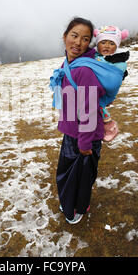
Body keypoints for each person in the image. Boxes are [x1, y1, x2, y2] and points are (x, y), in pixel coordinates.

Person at [51, 17, 105, 224]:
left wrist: (84, 143)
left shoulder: (84, 70)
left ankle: (76, 208)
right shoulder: (70, 64)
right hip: (74, 132)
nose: (78, 43)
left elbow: (90, 110)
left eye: (85, 39)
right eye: (74, 36)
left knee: (78, 175)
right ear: (65, 37)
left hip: (84, 137)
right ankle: (73, 202)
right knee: (70, 173)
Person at [93, 25, 130, 141]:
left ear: (117, 46)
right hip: (96, 89)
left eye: (111, 43)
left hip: (105, 91)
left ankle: (109, 125)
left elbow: (118, 74)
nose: (107, 46)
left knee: (97, 105)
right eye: (103, 42)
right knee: (95, 106)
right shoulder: (93, 56)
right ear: (97, 44)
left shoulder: (118, 60)